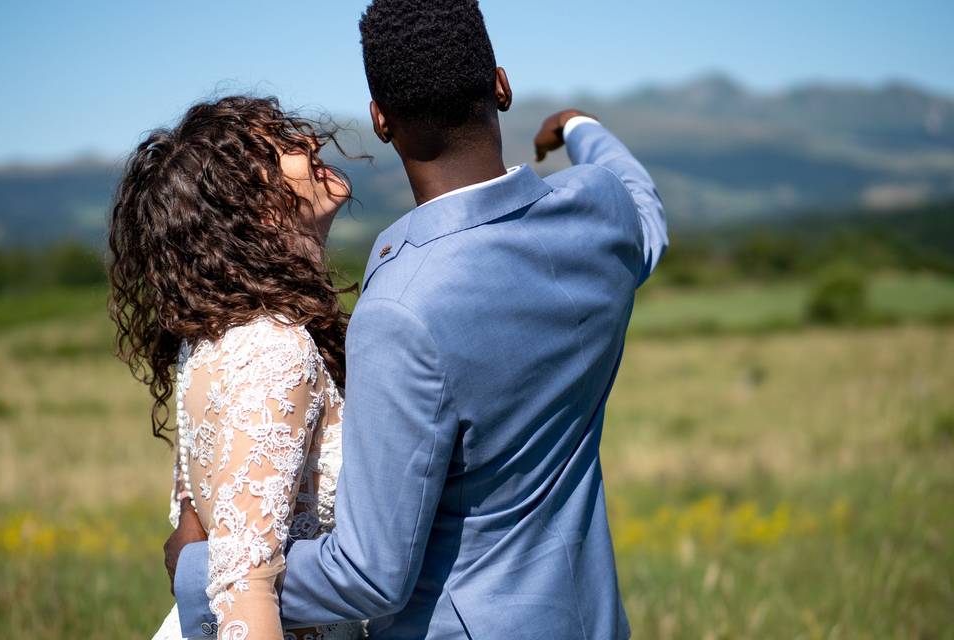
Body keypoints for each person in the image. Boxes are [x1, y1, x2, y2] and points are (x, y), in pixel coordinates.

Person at [171, 0, 669, 637]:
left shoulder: (401, 306)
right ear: (500, 85)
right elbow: (642, 201)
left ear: (381, 121)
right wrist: (579, 126)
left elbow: (370, 573)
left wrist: (197, 573)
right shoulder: (601, 214)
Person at [108, 96, 364, 639]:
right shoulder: (275, 348)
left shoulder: (219, 333)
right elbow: (243, 580)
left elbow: (198, 512)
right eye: (282, 147)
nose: (311, 143)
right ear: (257, 207)